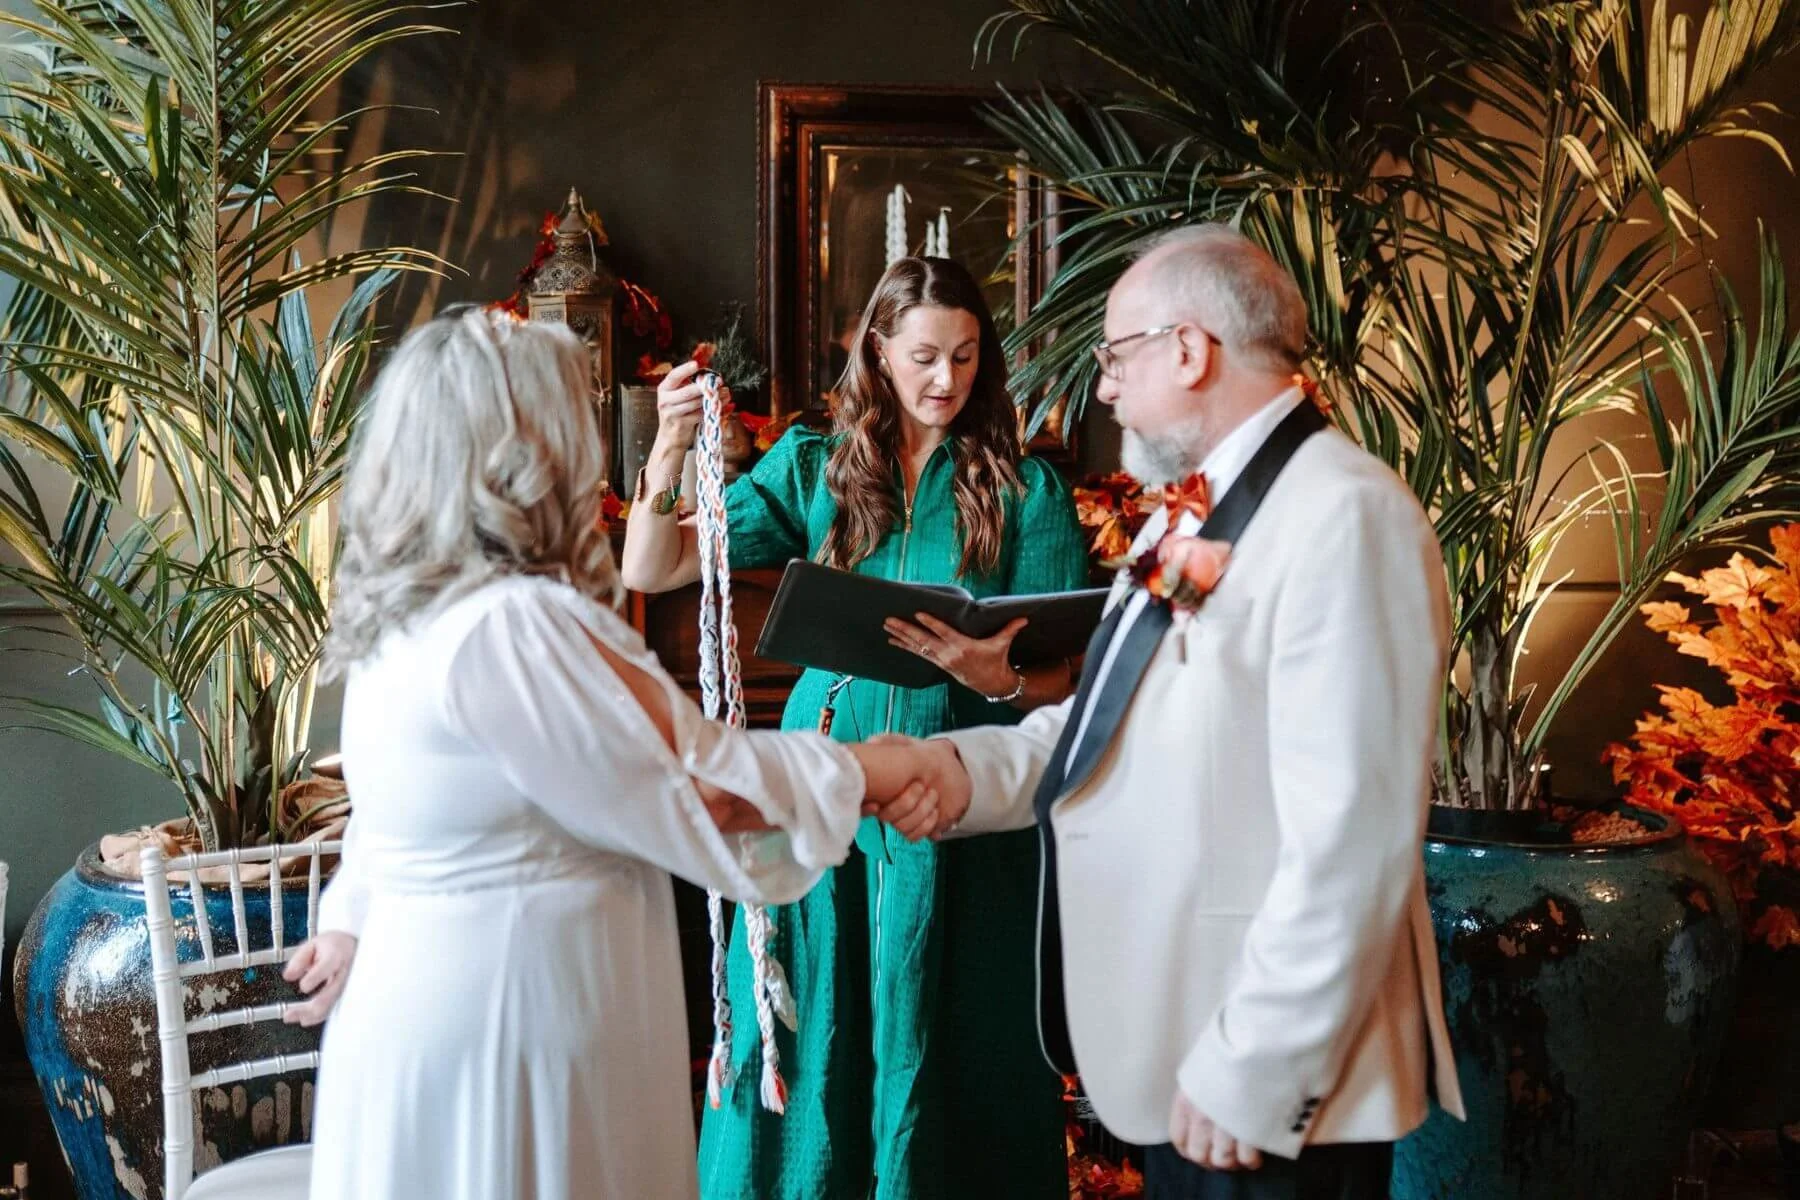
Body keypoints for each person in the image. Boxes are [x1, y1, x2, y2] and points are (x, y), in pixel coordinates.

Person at [279, 309, 941, 1200]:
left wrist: (351, 914)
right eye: (571, 417)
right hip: (514, 1036)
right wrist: (877, 770)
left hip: (428, 1015)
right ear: (524, 450)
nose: (587, 441)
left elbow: (407, 812)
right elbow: (705, 796)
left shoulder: (405, 613)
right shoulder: (515, 628)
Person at [862, 225, 1466, 1200]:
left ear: (1188, 349)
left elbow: (1354, 834)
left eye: (1114, 357)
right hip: (1182, 1036)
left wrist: (1256, 1067)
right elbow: (1110, 725)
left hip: (1260, 1072)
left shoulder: (1344, 514)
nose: (1104, 388)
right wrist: (957, 774)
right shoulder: (1181, 519)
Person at [620, 257, 1086, 1199]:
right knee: (817, 1019)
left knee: (952, 1026)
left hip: (949, 793)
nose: (944, 379)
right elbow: (653, 570)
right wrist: (667, 453)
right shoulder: (815, 465)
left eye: (963, 356)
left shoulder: (1028, 490)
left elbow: (1069, 681)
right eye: (922, 356)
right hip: (827, 788)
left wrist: (998, 676)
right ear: (878, 349)